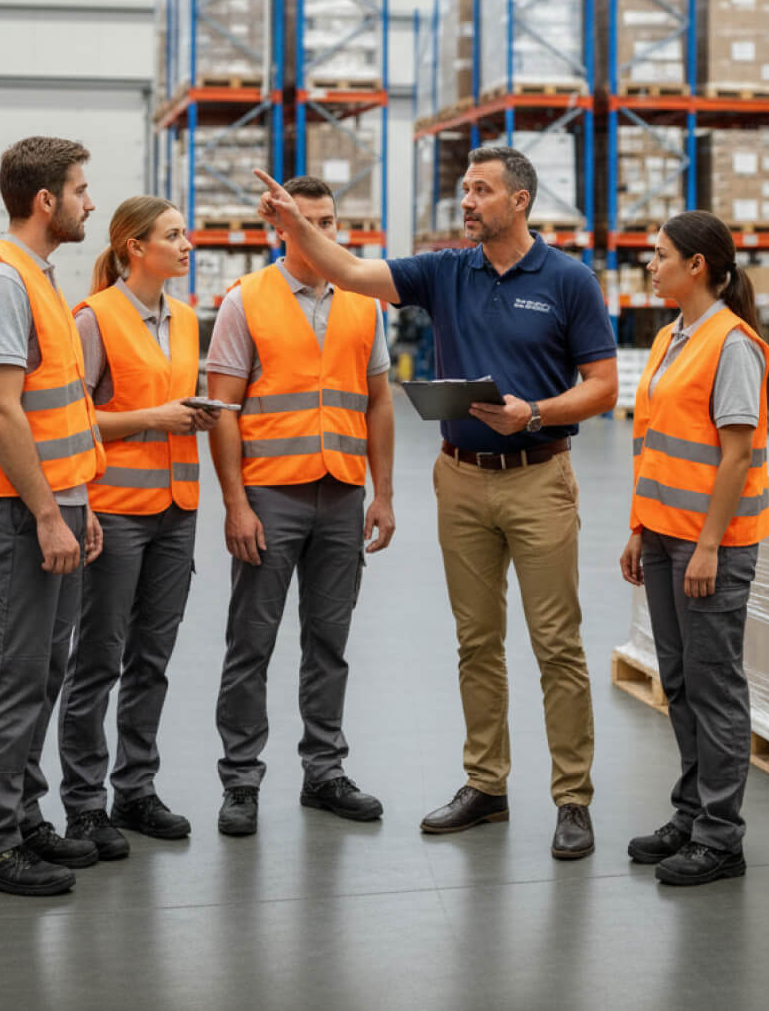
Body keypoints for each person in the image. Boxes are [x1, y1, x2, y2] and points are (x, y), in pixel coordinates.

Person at [251, 145, 618, 861]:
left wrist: (536, 412)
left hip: (540, 474)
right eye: (464, 190)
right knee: (476, 641)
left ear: (521, 201)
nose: (468, 201)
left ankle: (572, 798)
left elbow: (603, 387)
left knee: (556, 645)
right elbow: (351, 271)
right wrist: (296, 224)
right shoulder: (446, 270)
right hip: (460, 477)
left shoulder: (569, 280)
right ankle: (487, 784)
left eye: (481, 190)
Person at [206, 176, 397, 836]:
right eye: (303, 219)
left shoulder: (364, 303)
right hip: (270, 496)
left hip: (341, 494)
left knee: (329, 642)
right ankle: (241, 780)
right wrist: (236, 505)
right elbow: (223, 412)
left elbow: (378, 402)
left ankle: (324, 771)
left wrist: (384, 494)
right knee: (251, 642)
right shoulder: (245, 301)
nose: (317, 230)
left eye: (327, 220)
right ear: (281, 226)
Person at [0, 136, 108, 897]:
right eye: (80, 189)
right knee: (10, 677)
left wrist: (80, 504)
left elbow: (61, 414)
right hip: (18, 514)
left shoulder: (38, 279)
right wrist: (49, 514)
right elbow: (4, 412)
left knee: (43, 671)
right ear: (45, 201)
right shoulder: (2, 282)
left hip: (57, 506)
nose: (90, 202)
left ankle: (22, 817)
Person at [56, 196, 218, 856]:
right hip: (116, 511)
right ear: (133, 248)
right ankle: (84, 805)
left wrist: (191, 414)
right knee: (98, 660)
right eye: (174, 236)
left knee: (152, 660)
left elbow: (172, 404)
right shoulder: (94, 318)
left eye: (186, 234)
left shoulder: (184, 318)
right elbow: (72, 420)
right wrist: (155, 417)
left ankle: (137, 790)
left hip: (177, 510)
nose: (187, 245)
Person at [617, 212, 769, 887]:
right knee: (678, 683)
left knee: (714, 687)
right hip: (662, 537)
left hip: (712, 544)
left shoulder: (732, 345)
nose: (652, 266)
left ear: (697, 266)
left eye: (661, 256)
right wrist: (637, 528)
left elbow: (736, 457)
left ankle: (720, 837)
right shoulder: (667, 339)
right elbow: (650, 445)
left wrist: (708, 546)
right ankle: (690, 811)